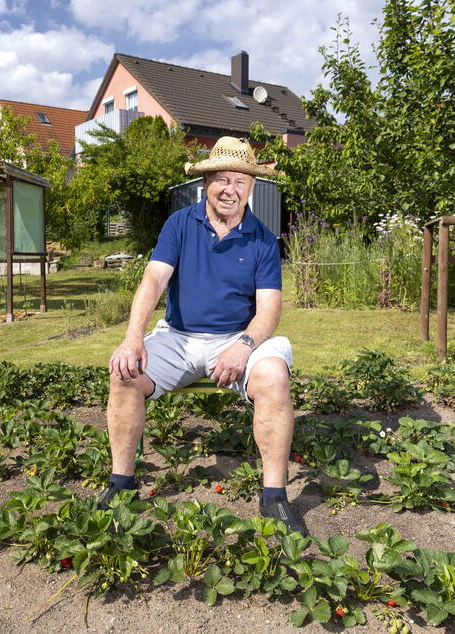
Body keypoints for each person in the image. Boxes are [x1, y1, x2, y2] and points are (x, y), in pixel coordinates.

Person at [98, 137, 304, 534]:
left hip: (237, 338)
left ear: (252, 187)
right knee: (125, 372)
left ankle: (274, 496)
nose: (231, 189)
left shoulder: (262, 238)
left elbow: (269, 310)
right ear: (206, 182)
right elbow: (154, 280)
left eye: (240, 181)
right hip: (179, 337)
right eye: (222, 180)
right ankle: (121, 483)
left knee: (274, 376)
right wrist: (132, 336)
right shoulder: (179, 224)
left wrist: (244, 346)